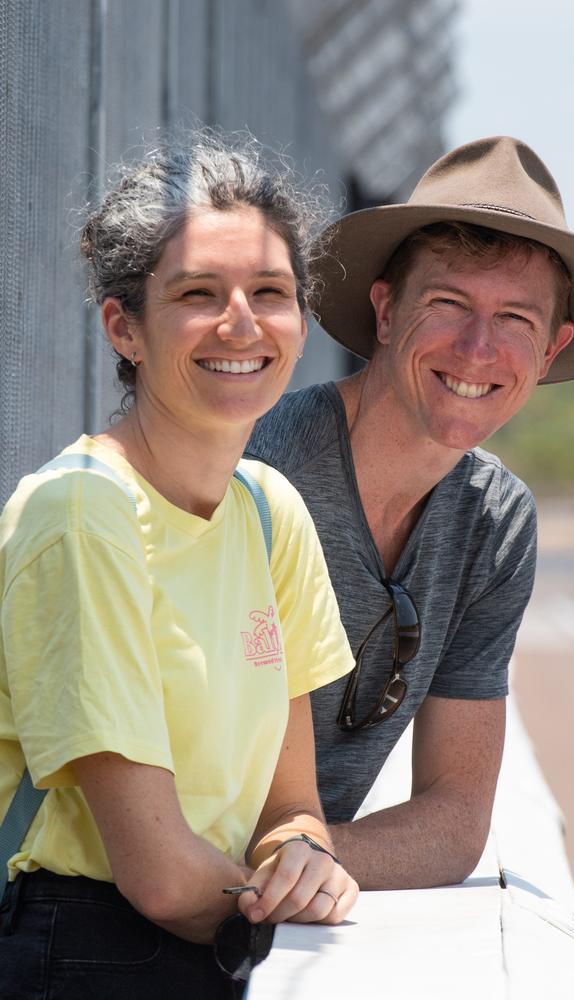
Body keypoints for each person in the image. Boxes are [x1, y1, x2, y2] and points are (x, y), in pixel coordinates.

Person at [0, 132, 358, 1000]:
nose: (242, 322)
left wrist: (303, 858)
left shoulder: (271, 513)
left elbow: (290, 806)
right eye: (199, 293)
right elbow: (157, 873)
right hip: (79, 952)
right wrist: (273, 902)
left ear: (301, 323)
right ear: (123, 326)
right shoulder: (84, 512)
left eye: (270, 292)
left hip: (208, 933)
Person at [247, 135, 574, 890]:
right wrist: (284, 867)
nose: (477, 348)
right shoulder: (263, 474)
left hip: (272, 898)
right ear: (386, 310)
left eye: (516, 322)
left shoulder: (495, 525)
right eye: (448, 304)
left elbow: (455, 819)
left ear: (552, 351)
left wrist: (312, 860)